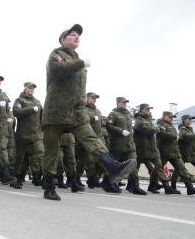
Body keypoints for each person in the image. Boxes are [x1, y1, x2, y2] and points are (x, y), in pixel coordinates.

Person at [42, 24, 135, 200]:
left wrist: (82, 101)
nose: (76, 37)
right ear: (63, 40)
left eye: (78, 35)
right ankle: (49, 186)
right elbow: (56, 70)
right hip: (56, 111)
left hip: (77, 111)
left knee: (91, 138)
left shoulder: (78, 61)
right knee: (52, 151)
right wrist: (79, 63)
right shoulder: (56, 54)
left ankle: (113, 166)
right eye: (72, 35)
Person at [134, 104, 180, 194]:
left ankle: (167, 186)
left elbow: (152, 130)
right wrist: (154, 128)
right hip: (141, 148)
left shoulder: (150, 119)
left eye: (149, 109)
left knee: (159, 166)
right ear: (141, 110)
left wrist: (154, 128)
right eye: (147, 109)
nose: (148, 110)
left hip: (153, 147)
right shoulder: (138, 119)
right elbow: (143, 128)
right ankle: (134, 185)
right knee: (136, 167)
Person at [106, 97, 146, 195]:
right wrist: (120, 131)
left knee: (133, 164)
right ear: (118, 103)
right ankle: (111, 184)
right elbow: (109, 127)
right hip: (117, 145)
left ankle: (135, 186)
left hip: (129, 144)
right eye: (123, 103)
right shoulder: (113, 114)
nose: (125, 104)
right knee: (114, 165)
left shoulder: (128, 114)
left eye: (125, 103)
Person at [157, 111, 195, 195]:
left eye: (172, 117)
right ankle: (162, 187)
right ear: (164, 117)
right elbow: (161, 134)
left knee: (182, 169)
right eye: (170, 117)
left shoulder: (171, 126)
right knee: (159, 169)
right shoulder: (161, 124)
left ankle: (190, 188)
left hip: (174, 151)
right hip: (164, 152)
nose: (172, 119)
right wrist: (173, 136)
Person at [11, 82, 43, 189]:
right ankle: (17, 178)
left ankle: (37, 176)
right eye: (30, 88)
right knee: (20, 158)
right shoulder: (20, 100)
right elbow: (16, 112)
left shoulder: (37, 102)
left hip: (36, 135)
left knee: (39, 154)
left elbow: (42, 117)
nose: (32, 90)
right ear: (25, 88)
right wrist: (30, 109)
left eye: (33, 88)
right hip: (23, 135)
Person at [77, 92, 106, 189]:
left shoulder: (98, 111)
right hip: (85, 139)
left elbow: (100, 127)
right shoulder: (83, 110)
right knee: (84, 162)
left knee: (94, 161)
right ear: (87, 99)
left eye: (95, 98)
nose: (94, 99)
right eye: (92, 98)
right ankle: (76, 179)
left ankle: (92, 180)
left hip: (96, 140)